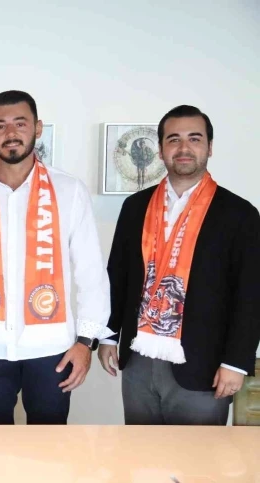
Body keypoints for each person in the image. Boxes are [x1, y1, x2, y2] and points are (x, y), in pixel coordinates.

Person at [0, 90, 111, 425]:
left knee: (48, 446)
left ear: (38, 128)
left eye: (20, 123)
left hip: (52, 349)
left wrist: (85, 342)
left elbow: (91, 272)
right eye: (0, 125)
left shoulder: (69, 190)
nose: (10, 133)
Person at [99, 105, 260, 425]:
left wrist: (236, 363)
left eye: (194, 139)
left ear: (209, 147)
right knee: (141, 453)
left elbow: (250, 295)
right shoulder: (135, 207)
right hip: (138, 358)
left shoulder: (239, 214)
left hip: (204, 364)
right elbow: (117, 276)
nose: (184, 148)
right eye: (173, 139)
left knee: (197, 455)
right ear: (160, 150)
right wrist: (108, 336)